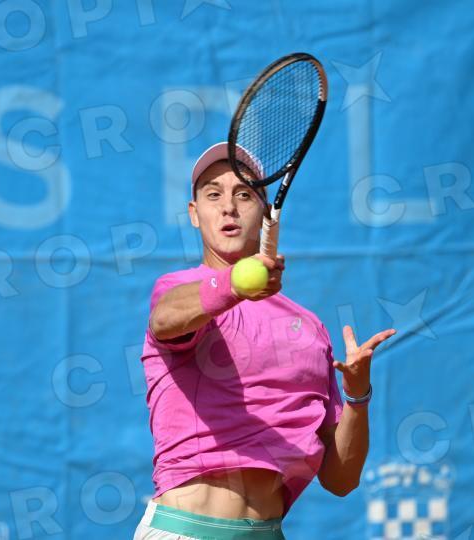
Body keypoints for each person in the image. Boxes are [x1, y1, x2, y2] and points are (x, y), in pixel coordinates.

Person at [133, 142, 396, 539]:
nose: (228, 207)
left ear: (267, 212)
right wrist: (237, 283)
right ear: (194, 213)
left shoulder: (310, 329)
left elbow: (341, 479)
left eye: (244, 194)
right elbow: (165, 319)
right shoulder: (178, 290)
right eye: (213, 195)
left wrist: (357, 396)